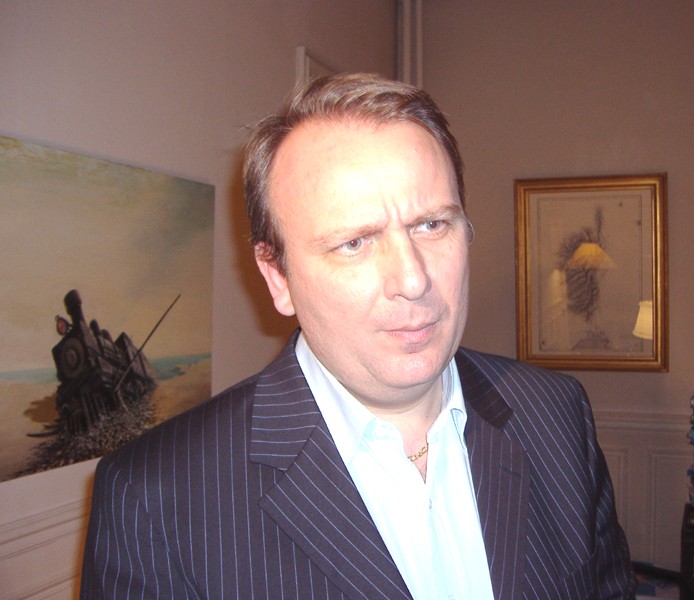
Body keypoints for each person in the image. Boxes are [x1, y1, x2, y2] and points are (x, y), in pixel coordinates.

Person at [81, 73, 637, 599]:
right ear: (278, 279)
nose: (413, 280)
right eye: (354, 243)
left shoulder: (556, 413)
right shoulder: (154, 499)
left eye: (431, 225)